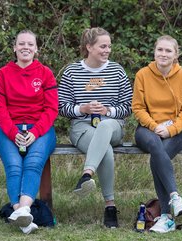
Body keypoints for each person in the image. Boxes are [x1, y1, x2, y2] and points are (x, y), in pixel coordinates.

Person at [58, 27, 132, 228]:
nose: (107, 50)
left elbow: (128, 107)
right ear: (89, 47)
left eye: (109, 46)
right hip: (82, 128)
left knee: (106, 126)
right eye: (102, 46)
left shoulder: (117, 71)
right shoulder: (72, 72)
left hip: (113, 126)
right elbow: (61, 107)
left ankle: (86, 174)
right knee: (104, 149)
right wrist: (83, 108)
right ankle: (110, 207)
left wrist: (108, 110)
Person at [0, 30, 58, 234]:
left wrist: (36, 132)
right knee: (13, 166)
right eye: (21, 44)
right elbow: (0, 109)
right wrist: (13, 133)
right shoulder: (3, 74)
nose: (26, 47)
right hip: (9, 130)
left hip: (40, 130)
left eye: (30, 44)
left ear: (36, 49)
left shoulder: (45, 73)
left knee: (33, 162)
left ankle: (23, 211)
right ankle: (22, 213)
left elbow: (51, 109)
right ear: (15, 47)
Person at [132, 35, 182, 233]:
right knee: (156, 147)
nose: (163, 54)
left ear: (176, 54)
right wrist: (153, 126)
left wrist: (171, 129)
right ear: (154, 52)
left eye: (168, 51)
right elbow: (138, 107)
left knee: (157, 158)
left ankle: (167, 216)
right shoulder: (143, 74)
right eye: (160, 50)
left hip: (175, 131)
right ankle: (174, 196)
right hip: (147, 130)